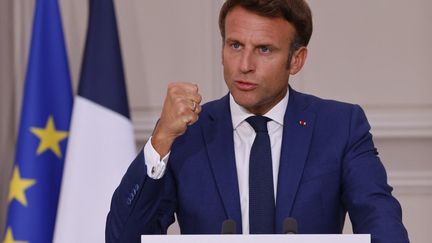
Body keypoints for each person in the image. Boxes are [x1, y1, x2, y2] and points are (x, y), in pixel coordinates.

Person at [105, 0, 409, 242]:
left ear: (296, 59)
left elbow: (381, 224)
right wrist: (161, 139)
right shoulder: (188, 131)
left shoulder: (340, 127)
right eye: (235, 45)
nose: (245, 65)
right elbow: (123, 238)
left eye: (264, 49)